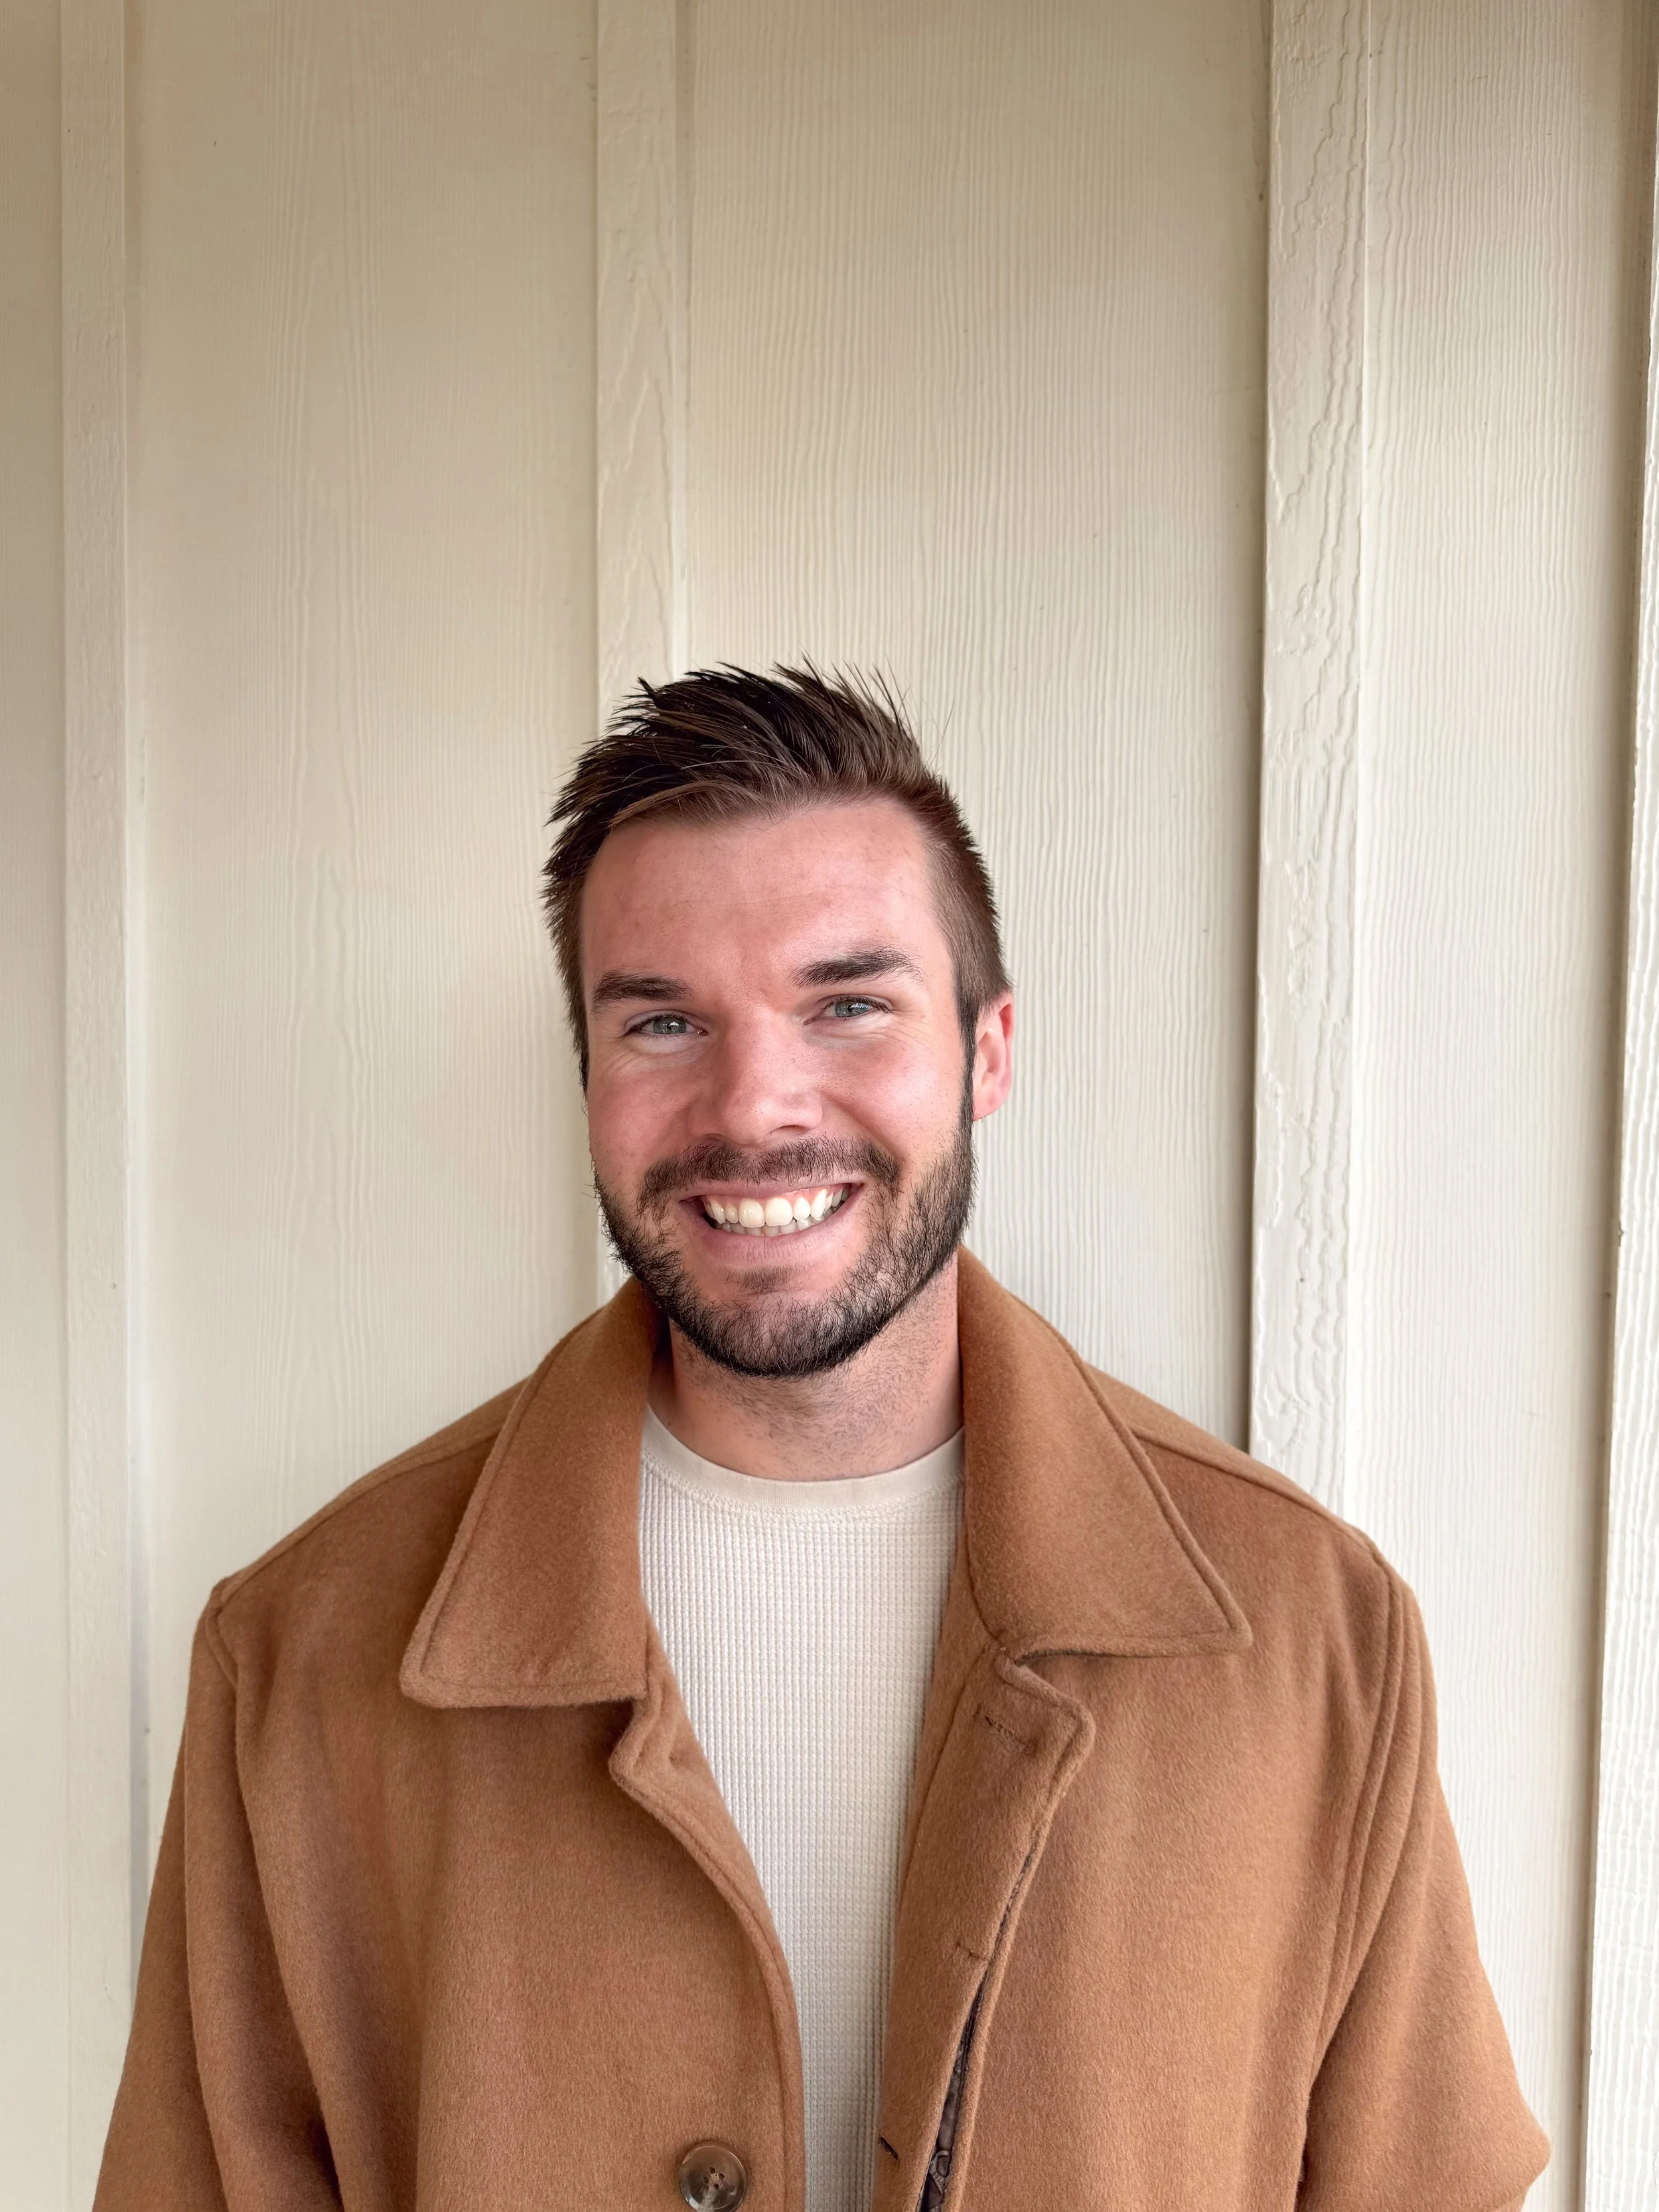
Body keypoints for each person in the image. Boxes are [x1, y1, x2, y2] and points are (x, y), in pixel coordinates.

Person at [96, 666, 1548, 2212]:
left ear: (987, 1053)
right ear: (586, 1077)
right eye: (661, 1021)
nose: (755, 1102)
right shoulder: (305, 1656)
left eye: (847, 1002)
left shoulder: (1308, 1632)